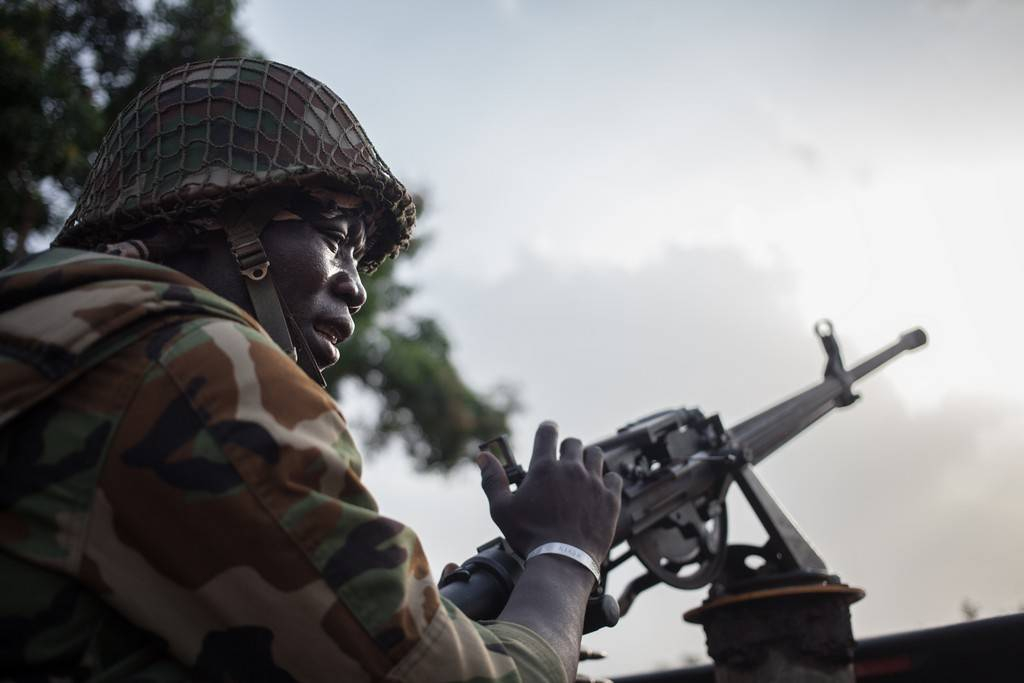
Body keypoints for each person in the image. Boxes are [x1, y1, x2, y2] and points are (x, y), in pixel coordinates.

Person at [0, 58, 622, 682]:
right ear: (214, 217)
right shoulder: (197, 372)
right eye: (336, 235)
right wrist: (565, 553)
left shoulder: (63, 332)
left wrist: (432, 620)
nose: (356, 288)